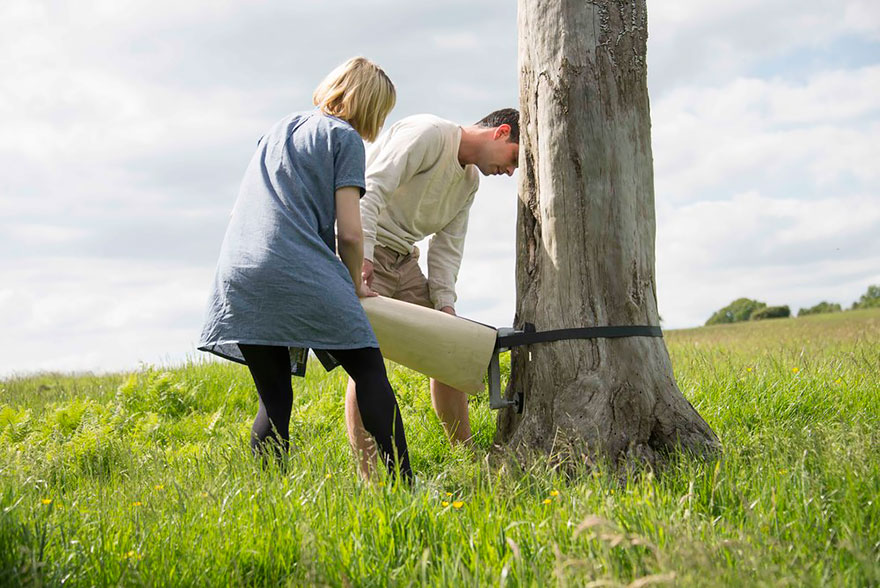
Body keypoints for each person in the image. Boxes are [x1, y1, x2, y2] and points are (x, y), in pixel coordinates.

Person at [198, 57, 411, 480]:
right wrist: (355, 288)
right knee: (369, 370)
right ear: (371, 107)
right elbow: (350, 233)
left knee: (274, 400)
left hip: (239, 273)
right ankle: (406, 487)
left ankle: (268, 501)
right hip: (295, 266)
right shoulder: (344, 138)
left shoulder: (276, 130)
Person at [345, 108, 520, 477]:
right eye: (514, 159)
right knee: (367, 360)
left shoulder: (469, 183)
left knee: (449, 348)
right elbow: (370, 188)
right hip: (367, 250)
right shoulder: (429, 134)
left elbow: (447, 246)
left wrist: (444, 303)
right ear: (501, 133)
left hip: (405, 260)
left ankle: (467, 460)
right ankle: (370, 476)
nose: (510, 172)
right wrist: (361, 256)